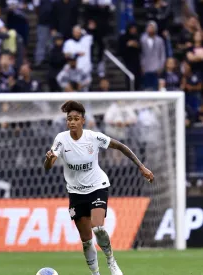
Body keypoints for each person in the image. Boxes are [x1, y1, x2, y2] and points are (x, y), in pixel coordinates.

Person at [44, 100, 154, 275]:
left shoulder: (94, 138)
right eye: (69, 119)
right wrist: (49, 160)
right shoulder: (61, 139)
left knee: (98, 227)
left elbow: (121, 146)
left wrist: (141, 167)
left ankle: (111, 261)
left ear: (83, 121)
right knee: (86, 240)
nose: (72, 122)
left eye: (76, 118)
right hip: (75, 193)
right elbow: (48, 166)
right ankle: (96, 274)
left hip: (97, 186)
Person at [140, 21, 166, 91]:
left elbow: (162, 54)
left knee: (155, 87)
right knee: (146, 87)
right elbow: (141, 54)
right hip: (146, 67)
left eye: (152, 27)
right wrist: (142, 66)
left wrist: (161, 66)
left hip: (156, 67)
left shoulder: (160, 40)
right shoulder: (142, 39)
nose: (150, 29)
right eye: (149, 27)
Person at [118, 23, 141, 90]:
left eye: (134, 28)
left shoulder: (137, 37)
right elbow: (119, 51)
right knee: (128, 79)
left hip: (136, 63)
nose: (133, 30)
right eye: (132, 28)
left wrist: (136, 45)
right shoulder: (123, 38)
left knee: (137, 80)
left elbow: (141, 50)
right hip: (126, 62)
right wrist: (127, 45)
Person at [33, 0, 54, 66]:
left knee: (51, 42)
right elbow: (36, 7)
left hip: (53, 22)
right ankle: (39, 60)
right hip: (42, 22)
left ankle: (52, 59)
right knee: (41, 41)